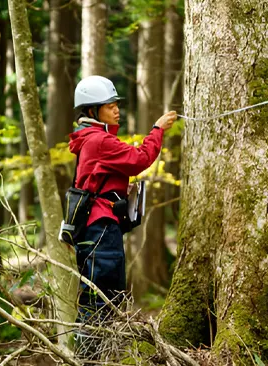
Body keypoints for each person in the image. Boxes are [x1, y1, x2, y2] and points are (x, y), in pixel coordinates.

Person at [68, 75, 176, 353]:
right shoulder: (99, 141)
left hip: (97, 227)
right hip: (100, 228)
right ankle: (90, 356)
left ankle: (95, 353)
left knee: (101, 294)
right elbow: (140, 159)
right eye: (109, 105)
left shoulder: (91, 140)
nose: (116, 109)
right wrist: (157, 129)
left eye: (116, 104)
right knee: (102, 297)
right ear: (92, 110)